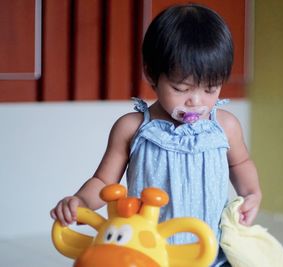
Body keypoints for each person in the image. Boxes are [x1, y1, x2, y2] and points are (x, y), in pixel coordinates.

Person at [50, 3, 261, 266]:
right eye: (180, 88)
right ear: (151, 74)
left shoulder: (225, 126)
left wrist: (252, 193)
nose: (196, 101)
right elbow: (103, 181)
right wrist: (80, 201)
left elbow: (240, 163)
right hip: (148, 251)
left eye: (211, 89)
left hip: (210, 252)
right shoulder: (132, 128)